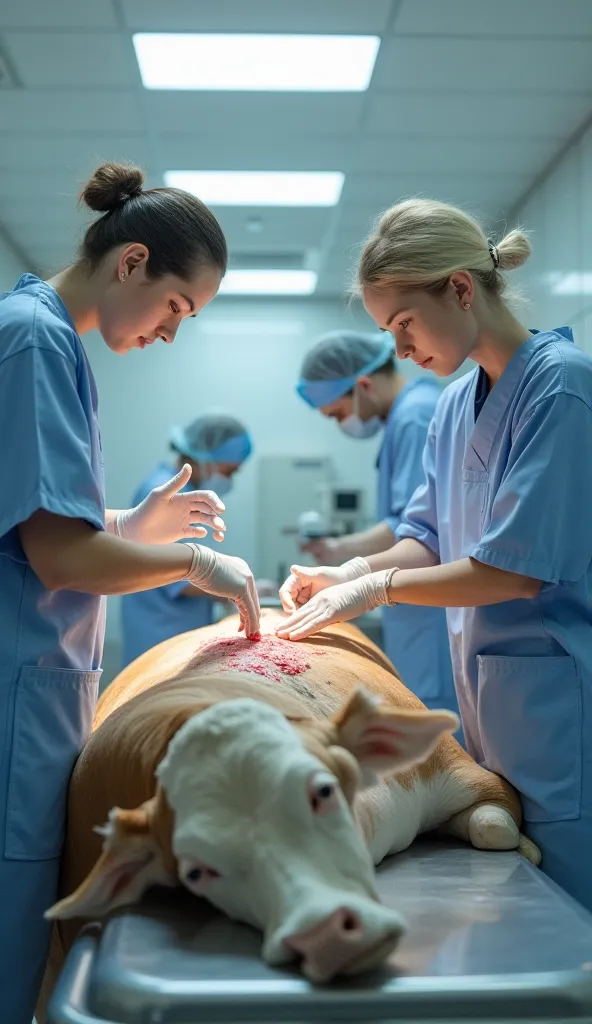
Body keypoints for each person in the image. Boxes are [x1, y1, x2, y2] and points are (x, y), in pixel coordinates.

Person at [277, 197, 592, 913]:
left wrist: (377, 589)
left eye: (404, 323)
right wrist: (348, 574)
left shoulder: (562, 387)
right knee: (512, 907)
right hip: (491, 711)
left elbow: (513, 570)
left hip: (560, 710)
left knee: (571, 919)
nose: (401, 348)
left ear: (460, 287)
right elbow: (427, 535)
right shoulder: (452, 407)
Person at [0, 161, 260, 1024]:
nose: (169, 333)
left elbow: (39, 519)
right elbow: (60, 557)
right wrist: (190, 565)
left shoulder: (48, 339)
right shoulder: (34, 339)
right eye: (176, 309)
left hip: (35, 693)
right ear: (131, 263)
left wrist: (129, 522)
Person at [295, 330, 459, 722]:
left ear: (363, 385)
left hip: (429, 612)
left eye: (337, 413)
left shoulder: (416, 416)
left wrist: (344, 561)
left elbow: (416, 529)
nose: (340, 423)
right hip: (413, 608)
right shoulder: (405, 416)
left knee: (433, 733)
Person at [121, 413, 253, 665]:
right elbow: (178, 578)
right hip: (160, 636)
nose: (229, 480)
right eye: (229, 471)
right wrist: (235, 587)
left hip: (173, 630)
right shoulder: (165, 492)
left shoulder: (182, 492)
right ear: (206, 457)